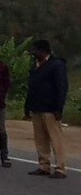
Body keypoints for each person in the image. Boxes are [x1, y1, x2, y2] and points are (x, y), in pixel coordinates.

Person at [25, 39, 68, 179]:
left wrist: (58, 108)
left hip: (51, 109)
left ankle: (60, 168)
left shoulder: (56, 64)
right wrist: (27, 106)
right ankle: (44, 166)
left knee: (56, 139)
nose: (33, 53)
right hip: (37, 107)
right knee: (40, 139)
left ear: (43, 51)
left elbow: (61, 87)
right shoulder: (36, 65)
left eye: (35, 50)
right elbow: (31, 87)